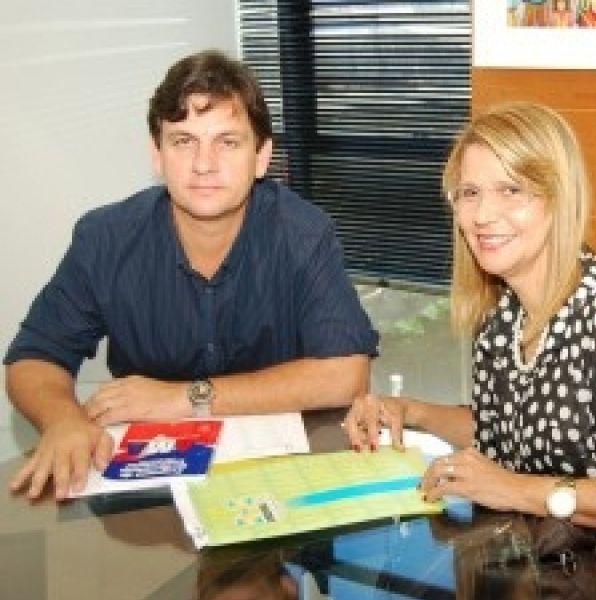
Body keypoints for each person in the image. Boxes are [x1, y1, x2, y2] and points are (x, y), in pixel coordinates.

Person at [343, 103, 596, 599]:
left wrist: (517, 489)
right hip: (564, 565)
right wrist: (411, 411)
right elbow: (503, 431)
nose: (483, 215)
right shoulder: (503, 318)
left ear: (558, 199)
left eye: (511, 191)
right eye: (470, 193)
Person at [5, 49, 378, 501]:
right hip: (148, 490)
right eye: (183, 141)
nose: (204, 164)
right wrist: (63, 420)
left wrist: (183, 398)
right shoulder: (106, 238)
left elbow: (345, 375)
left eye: (228, 142)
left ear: (261, 157)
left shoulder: (303, 234)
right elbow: (34, 356)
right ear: (157, 154)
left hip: (279, 478)